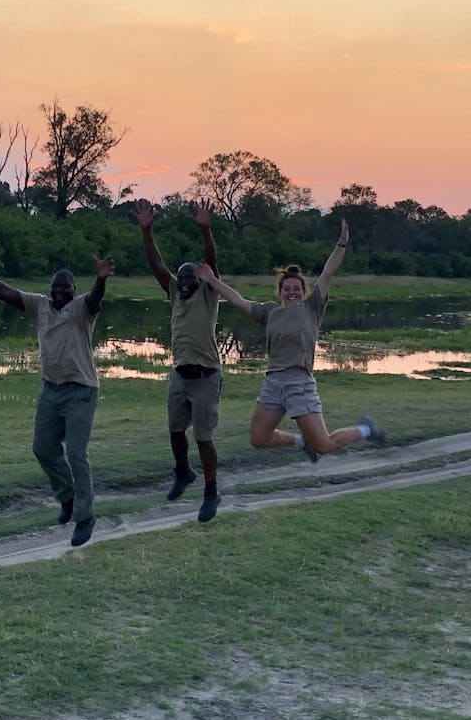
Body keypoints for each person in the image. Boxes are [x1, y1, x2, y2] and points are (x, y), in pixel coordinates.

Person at [0, 252, 114, 547]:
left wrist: (100, 279)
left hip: (81, 391)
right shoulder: (40, 305)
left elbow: (96, 298)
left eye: (65, 287)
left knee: (76, 453)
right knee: (43, 448)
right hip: (51, 389)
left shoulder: (82, 308)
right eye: (55, 287)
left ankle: (85, 517)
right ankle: (68, 499)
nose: (59, 292)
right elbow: (3, 291)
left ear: (74, 290)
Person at [195, 220, 387, 460]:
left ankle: (365, 429)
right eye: (287, 288)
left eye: (296, 288)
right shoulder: (269, 312)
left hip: (299, 382)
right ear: (280, 291)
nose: (292, 292)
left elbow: (328, 272)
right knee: (258, 439)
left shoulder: (313, 307)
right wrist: (212, 280)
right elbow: (238, 300)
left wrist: (342, 243)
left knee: (324, 446)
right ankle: (300, 441)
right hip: (273, 382)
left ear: (303, 290)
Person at [137, 198, 223, 522]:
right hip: (180, 374)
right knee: (175, 430)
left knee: (203, 438)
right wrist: (147, 233)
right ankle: (183, 472)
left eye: (190, 278)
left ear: (201, 281)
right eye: (182, 278)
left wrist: (206, 230)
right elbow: (157, 265)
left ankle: (211, 491)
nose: (184, 281)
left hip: (206, 377)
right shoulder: (174, 292)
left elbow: (212, 263)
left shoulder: (208, 293)